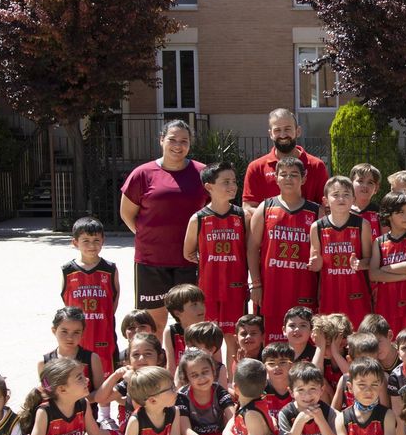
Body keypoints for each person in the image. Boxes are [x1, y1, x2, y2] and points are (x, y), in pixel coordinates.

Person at [120, 119, 209, 333]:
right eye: (172, 139)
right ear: (161, 140)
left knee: (190, 325)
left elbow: (211, 212)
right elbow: (127, 213)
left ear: (190, 144)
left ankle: (191, 366)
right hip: (151, 262)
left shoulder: (202, 173)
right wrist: (147, 238)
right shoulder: (143, 173)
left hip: (188, 260)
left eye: (184, 141)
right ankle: (156, 366)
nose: (178, 145)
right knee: (153, 324)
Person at [248, 156, 321, 343]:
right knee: (274, 345)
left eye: (294, 174)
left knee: (304, 341)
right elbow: (252, 248)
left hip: (305, 286)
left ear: (303, 179)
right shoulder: (266, 207)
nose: (288, 178)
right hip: (272, 288)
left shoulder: (315, 212)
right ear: (276, 178)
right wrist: (256, 285)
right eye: (284, 174)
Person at [182, 161, 250, 337]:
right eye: (225, 182)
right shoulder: (198, 219)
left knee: (234, 337)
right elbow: (188, 252)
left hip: (236, 286)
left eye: (234, 181)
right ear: (209, 186)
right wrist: (208, 262)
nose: (232, 186)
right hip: (209, 288)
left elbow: (250, 250)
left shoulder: (242, 216)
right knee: (209, 338)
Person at [309, 176, 376, 328]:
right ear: (325, 200)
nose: (341, 198)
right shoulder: (317, 227)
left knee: (359, 340)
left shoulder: (362, 224)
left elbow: (370, 260)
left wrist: (360, 264)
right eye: (336, 194)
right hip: (329, 293)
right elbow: (315, 263)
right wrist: (315, 262)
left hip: (357, 293)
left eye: (346, 194)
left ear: (353, 199)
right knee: (330, 339)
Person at [61, 216, 121, 373]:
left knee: (105, 381)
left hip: (103, 334)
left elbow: (114, 302)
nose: (91, 245)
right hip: (76, 336)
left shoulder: (110, 269)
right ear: (75, 242)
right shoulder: (67, 270)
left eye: (96, 240)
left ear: (103, 240)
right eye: (85, 240)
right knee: (77, 380)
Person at [241, 108, 328, 211]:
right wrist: (276, 219)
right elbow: (248, 207)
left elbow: (325, 206)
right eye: (277, 130)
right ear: (270, 134)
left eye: (287, 129)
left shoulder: (316, 166)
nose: (282, 135)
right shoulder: (256, 168)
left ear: (298, 131)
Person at [371, 191, 406, 336]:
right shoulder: (379, 241)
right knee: (386, 343)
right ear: (388, 215)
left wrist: (383, 269)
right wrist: (403, 276)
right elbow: (373, 274)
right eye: (400, 212)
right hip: (385, 303)